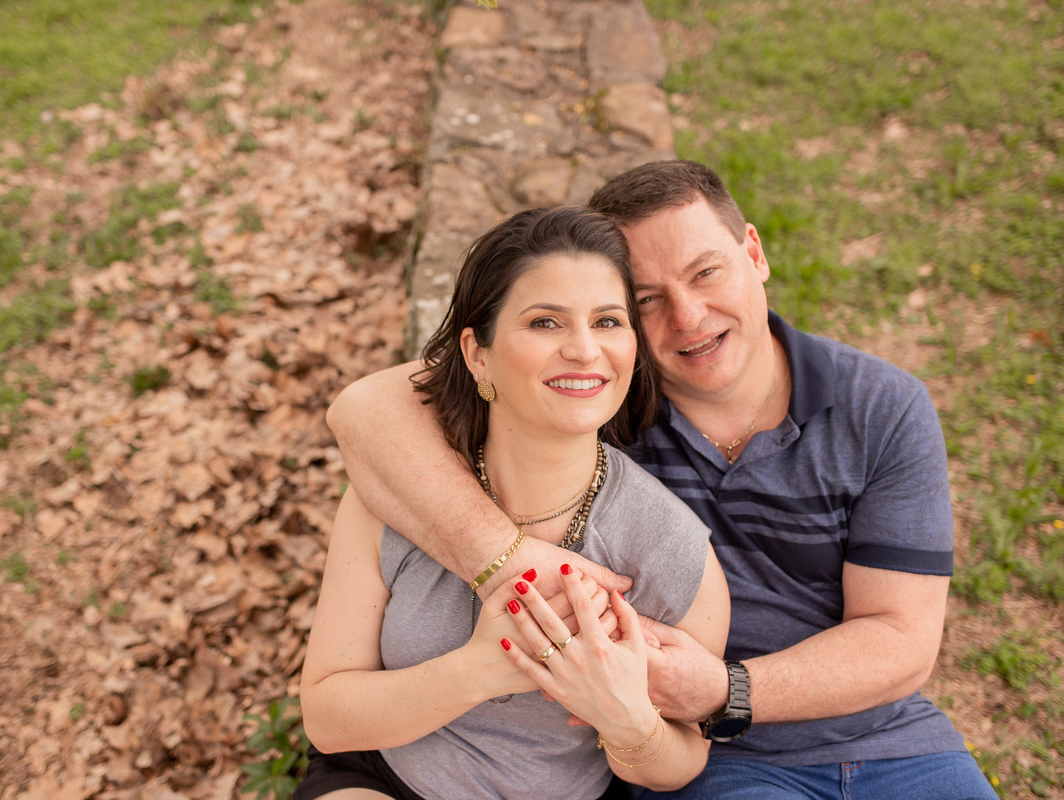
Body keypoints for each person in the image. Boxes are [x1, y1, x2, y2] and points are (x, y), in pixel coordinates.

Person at [326, 161, 998, 799]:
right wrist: (507, 561)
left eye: (706, 272)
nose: (688, 316)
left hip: (884, 737)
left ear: (755, 253)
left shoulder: (880, 407)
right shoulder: (601, 406)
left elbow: (900, 640)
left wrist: (723, 689)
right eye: (647, 300)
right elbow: (364, 411)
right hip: (724, 761)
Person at [297, 206, 730, 800]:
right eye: (545, 322)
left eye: (608, 321)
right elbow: (326, 718)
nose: (584, 349)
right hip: (383, 777)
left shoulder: (670, 545)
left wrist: (628, 721)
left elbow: (682, 761)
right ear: (477, 353)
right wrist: (479, 670)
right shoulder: (396, 495)